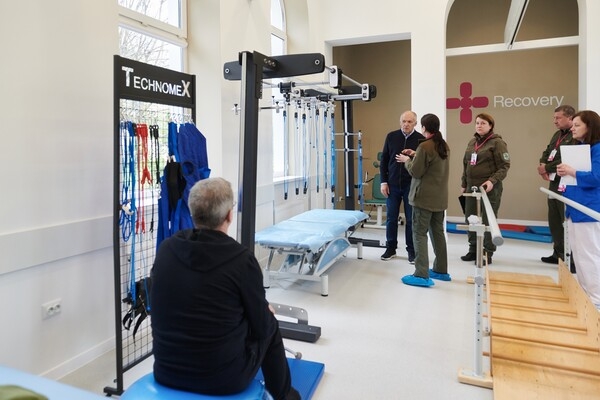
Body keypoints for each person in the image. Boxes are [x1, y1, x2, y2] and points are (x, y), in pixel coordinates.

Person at [150, 177, 300, 400]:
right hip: (223, 381)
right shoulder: (242, 260)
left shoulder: (167, 248)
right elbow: (261, 328)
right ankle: (284, 395)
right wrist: (264, 313)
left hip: (166, 371)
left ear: (193, 213)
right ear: (229, 215)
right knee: (269, 323)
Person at [396, 113, 450, 287]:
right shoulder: (443, 145)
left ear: (423, 127)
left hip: (423, 199)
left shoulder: (425, 146)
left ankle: (421, 274)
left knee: (419, 234)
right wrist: (415, 154)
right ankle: (441, 270)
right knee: (437, 233)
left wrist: (407, 160)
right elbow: (431, 165)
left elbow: (416, 171)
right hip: (439, 199)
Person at [556, 110, 600, 308]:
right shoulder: (582, 148)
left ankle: (596, 299)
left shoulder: (597, 149)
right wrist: (564, 172)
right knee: (580, 256)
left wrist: (572, 171)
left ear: (589, 127)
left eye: (577, 125)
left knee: (589, 255)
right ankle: (586, 294)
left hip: (588, 209)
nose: (572, 128)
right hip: (575, 208)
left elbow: (596, 177)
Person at [460, 113, 510, 264]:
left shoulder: (497, 143)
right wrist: (464, 183)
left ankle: (487, 252)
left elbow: (504, 166)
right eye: (477, 123)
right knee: (470, 218)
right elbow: (466, 164)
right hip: (472, 187)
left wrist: (492, 181)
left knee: (488, 220)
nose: (479, 125)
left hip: (489, 188)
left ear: (490, 126)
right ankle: (473, 249)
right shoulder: (472, 142)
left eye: (483, 123)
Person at [379, 110, 425, 263]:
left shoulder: (420, 140)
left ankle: (411, 251)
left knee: (411, 220)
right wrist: (383, 182)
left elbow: (422, 164)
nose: (406, 124)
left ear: (415, 123)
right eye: (404, 121)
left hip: (410, 185)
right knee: (391, 218)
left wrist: (411, 157)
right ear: (400, 122)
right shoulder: (391, 136)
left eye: (409, 122)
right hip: (392, 185)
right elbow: (384, 160)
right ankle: (390, 248)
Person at [537, 105, 576, 264]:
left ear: (570, 118)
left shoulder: (574, 136)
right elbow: (547, 152)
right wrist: (542, 165)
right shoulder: (557, 135)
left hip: (567, 183)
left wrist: (547, 168)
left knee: (565, 219)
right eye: (554, 118)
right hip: (554, 182)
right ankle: (558, 253)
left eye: (558, 118)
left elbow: (567, 159)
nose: (554, 121)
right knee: (554, 219)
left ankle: (571, 257)